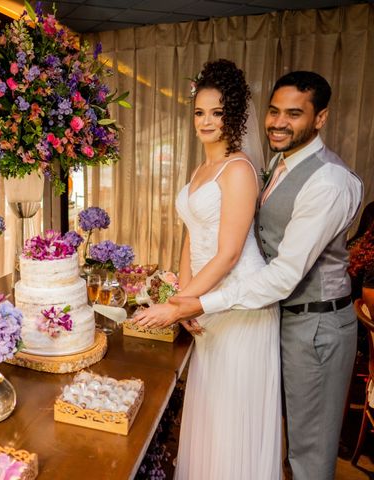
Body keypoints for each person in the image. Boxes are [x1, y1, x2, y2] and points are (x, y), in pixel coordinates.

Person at [137, 71, 363, 480]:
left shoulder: (328, 181)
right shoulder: (279, 163)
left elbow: (276, 272)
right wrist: (188, 298)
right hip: (258, 306)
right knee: (242, 420)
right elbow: (206, 235)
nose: (278, 122)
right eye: (274, 111)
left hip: (314, 322)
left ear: (321, 118)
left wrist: (192, 303)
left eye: (294, 114)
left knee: (307, 448)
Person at [135, 59, 282, 479]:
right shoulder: (202, 170)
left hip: (239, 307)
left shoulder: (238, 169)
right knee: (212, 410)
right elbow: (190, 236)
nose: (206, 121)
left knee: (233, 413)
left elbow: (229, 253)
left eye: (217, 112)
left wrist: (184, 304)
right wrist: (185, 294)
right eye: (199, 112)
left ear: (234, 115)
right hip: (206, 302)